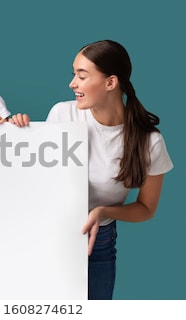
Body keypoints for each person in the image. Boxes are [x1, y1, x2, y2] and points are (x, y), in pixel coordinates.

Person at [42, 40, 173, 299]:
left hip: (98, 242)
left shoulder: (150, 142)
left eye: (82, 76)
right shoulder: (62, 115)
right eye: (73, 75)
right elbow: (39, 178)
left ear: (110, 83)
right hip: (51, 234)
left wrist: (102, 212)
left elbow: (146, 208)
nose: (72, 84)